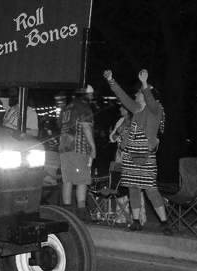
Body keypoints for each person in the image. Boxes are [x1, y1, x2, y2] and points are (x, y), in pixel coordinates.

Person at [105, 69, 172, 235]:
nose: (136, 94)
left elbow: (149, 99)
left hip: (145, 154)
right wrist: (112, 81)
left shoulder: (155, 109)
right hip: (130, 153)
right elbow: (123, 97)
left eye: (139, 92)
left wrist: (144, 84)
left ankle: (164, 222)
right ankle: (136, 221)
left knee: (150, 188)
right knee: (133, 188)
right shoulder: (136, 109)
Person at [58, 85, 96, 221]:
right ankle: (81, 212)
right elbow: (86, 127)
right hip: (78, 148)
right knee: (82, 179)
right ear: (85, 94)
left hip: (64, 147)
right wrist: (93, 147)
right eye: (90, 94)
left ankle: (67, 212)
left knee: (67, 179)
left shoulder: (67, 107)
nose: (92, 97)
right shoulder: (84, 106)